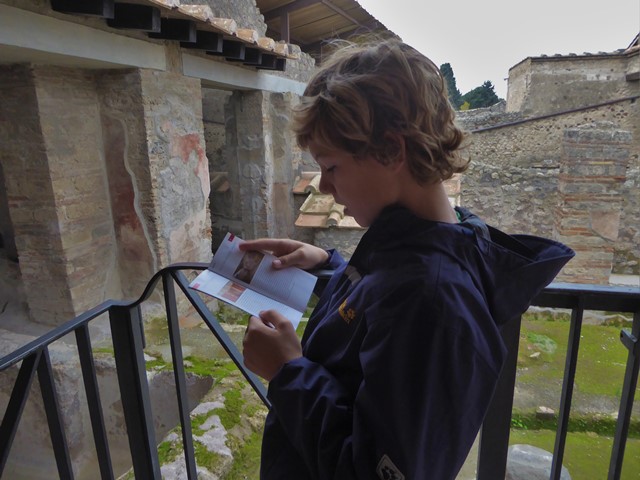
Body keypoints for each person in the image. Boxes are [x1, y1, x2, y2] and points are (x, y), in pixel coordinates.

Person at [239, 38, 574, 480]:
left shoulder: (433, 303)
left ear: (392, 151)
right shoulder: (419, 244)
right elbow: (384, 302)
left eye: (332, 166)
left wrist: (287, 372)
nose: (324, 186)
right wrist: (327, 267)